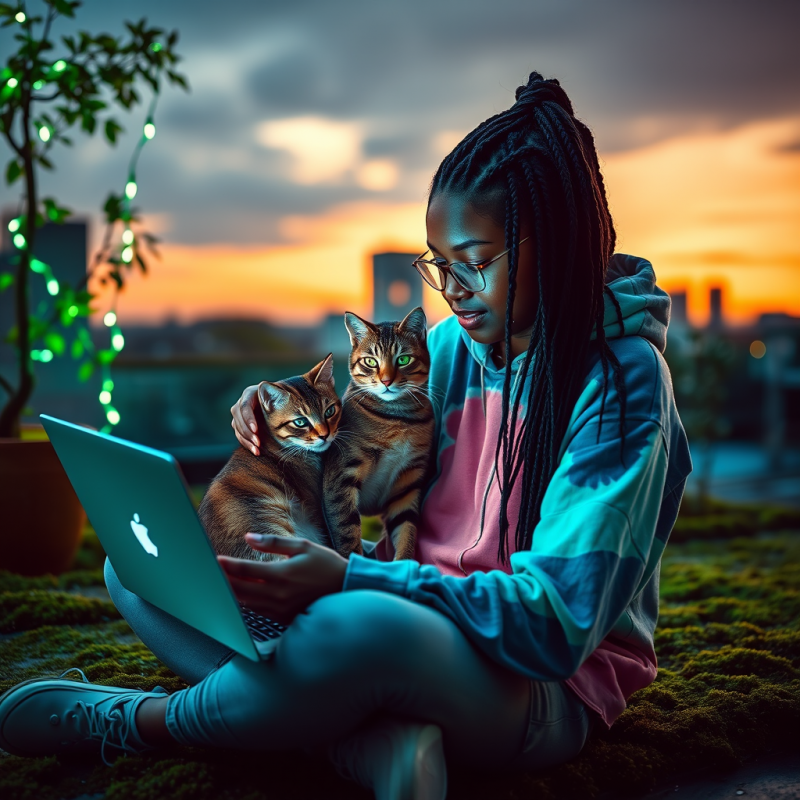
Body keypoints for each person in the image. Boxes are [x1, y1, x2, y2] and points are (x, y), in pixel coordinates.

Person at [0, 72, 691, 800]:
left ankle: (146, 722)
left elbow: (552, 627)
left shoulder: (623, 387)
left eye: (473, 263)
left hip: (536, 690)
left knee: (355, 629)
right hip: (401, 611)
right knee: (143, 567)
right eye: (439, 265)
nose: (452, 290)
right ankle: (368, 742)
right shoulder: (449, 349)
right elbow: (346, 431)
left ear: (557, 245)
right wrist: (269, 410)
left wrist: (352, 580)